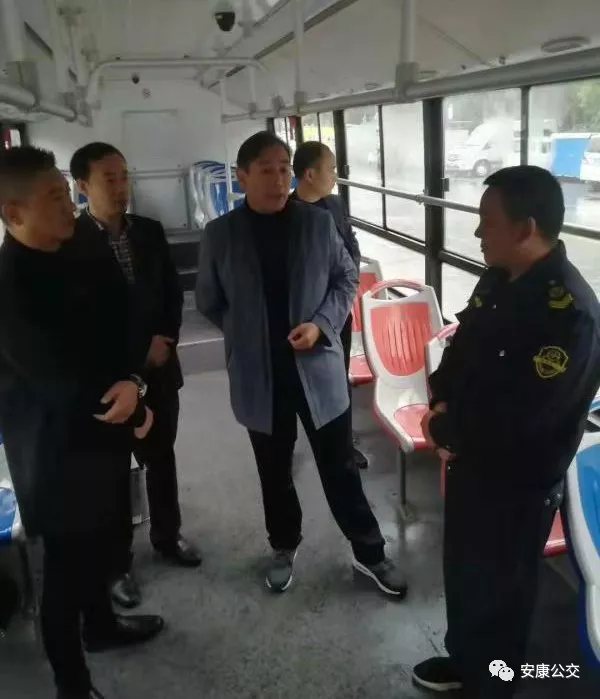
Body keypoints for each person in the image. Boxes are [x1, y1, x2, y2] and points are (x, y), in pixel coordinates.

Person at [412, 165, 600, 699]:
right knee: (465, 576)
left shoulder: (570, 313)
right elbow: (461, 350)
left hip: (517, 483)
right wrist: (440, 398)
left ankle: (492, 684)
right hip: (471, 465)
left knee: (502, 594)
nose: (477, 232)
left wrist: (445, 427)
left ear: (525, 228)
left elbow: (529, 417)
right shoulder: (498, 279)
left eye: (486, 222)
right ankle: (466, 661)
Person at [195, 131, 407, 598]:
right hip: (259, 376)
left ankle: (370, 551)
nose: (278, 179)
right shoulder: (221, 235)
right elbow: (209, 299)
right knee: (273, 471)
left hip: (317, 370)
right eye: (266, 170)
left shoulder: (316, 223)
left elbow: (346, 278)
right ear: (242, 176)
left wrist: (321, 324)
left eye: (284, 169)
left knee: (340, 468)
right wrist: (248, 334)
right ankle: (283, 544)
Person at [0, 146, 164, 699]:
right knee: (65, 574)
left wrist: (133, 380)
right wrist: (134, 406)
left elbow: (125, 316)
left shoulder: (81, 245)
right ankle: (73, 686)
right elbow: (58, 378)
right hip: (54, 453)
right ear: (14, 212)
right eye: (53, 197)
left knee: (103, 543)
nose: (68, 205)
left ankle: (103, 627)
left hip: (103, 434)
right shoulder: (10, 285)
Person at [70, 143, 201, 610]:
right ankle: (117, 564)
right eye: (108, 178)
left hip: (159, 368)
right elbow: (79, 321)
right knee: (111, 472)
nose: (120, 187)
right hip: (107, 381)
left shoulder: (148, 230)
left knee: (162, 456)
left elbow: (171, 294)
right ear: (82, 186)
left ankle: (168, 535)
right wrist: (133, 357)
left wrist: (165, 340)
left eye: (124, 176)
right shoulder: (69, 242)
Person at [290, 141, 369, 470]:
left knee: (340, 378)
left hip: (337, 314)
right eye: (331, 169)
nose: (335, 176)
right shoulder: (286, 215)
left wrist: (344, 292)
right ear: (310, 174)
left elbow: (351, 246)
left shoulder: (335, 205)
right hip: (304, 319)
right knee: (303, 383)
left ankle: (343, 445)